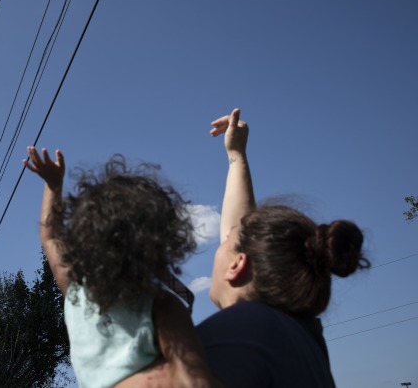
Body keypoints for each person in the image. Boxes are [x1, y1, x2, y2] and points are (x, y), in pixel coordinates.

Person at [120, 108, 370, 387]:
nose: (223, 238)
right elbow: (239, 229)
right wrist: (236, 156)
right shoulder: (304, 332)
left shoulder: (245, 326)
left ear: (238, 265)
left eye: (226, 242)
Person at [23, 147, 219, 388]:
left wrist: (53, 185)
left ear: (83, 241)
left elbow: (51, 237)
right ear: (161, 245)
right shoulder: (162, 307)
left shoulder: (77, 294)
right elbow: (196, 382)